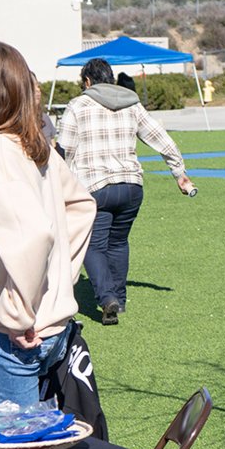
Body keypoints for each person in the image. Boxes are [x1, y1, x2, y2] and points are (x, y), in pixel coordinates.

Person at [0, 42, 96, 409]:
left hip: (15, 333)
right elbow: (80, 207)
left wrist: (17, 313)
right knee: (28, 443)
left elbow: (33, 235)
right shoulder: (30, 145)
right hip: (47, 326)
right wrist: (59, 281)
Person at [57, 57, 196, 325]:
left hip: (94, 188)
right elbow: (161, 139)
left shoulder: (78, 105)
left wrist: (58, 187)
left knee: (93, 246)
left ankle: (107, 297)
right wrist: (179, 173)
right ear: (110, 78)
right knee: (118, 242)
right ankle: (118, 300)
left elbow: (65, 151)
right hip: (132, 187)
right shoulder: (133, 103)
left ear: (87, 81)